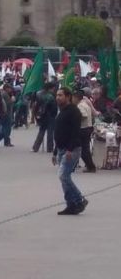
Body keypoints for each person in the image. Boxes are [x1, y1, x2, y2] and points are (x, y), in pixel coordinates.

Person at [53, 87, 89, 215]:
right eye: (57, 95)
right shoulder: (62, 111)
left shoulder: (74, 111)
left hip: (72, 149)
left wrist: (69, 149)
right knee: (64, 178)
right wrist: (55, 152)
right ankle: (71, 204)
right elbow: (59, 132)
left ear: (68, 97)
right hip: (61, 148)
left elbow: (75, 132)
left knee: (63, 176)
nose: (58, 97)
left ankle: (79, 199)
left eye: (60, 95)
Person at [74, 88, 98, 173]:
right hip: (88, 127)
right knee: (85, 149)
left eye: (74, 98)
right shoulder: (85, 103)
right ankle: (90, 166)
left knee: (83, 150)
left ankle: (90, 166)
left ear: (77, 98)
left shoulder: (80, 106)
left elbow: (83, 115)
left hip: (83, 129)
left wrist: (75, 118)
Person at [33, 83, 58, 153]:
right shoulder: (51, 96)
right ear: (50, 88)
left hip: (42, 115)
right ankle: (49, 148)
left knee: (41, 131)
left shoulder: (39, 94)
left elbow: (36, 105)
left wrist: (36, 115)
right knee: (50, 132)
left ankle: (35, 147)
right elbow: (54, 107)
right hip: (50, 115)